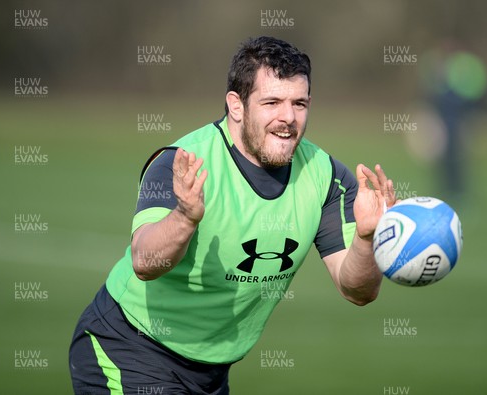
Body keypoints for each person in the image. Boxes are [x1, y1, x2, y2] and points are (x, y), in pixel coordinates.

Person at [69, 36, 398, 394]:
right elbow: (144, 262)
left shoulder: (326, 176)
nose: (288, 117)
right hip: (129, 348)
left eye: (299, 103)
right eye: (272, 102)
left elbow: (357, 291)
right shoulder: (182, 163)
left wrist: (368, 239)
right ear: (236, 106)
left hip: (212, 374)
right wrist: (185, 218)